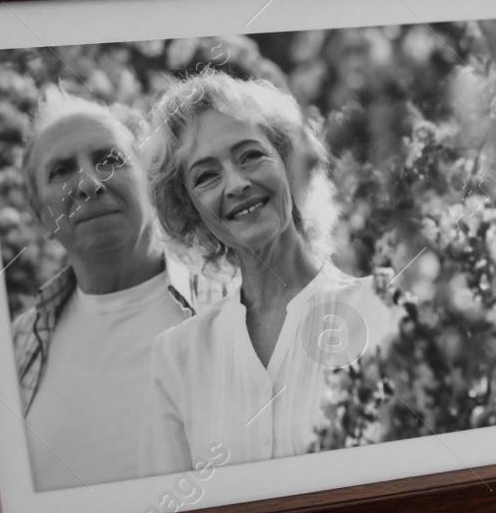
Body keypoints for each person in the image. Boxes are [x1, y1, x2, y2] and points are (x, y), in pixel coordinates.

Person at [139, 72, 394, 475]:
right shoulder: (178, 357)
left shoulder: (383, 310)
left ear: (291, 166)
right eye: (206, 176)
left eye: (250, 155)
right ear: (190, 212)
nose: (237, 183)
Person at [10, 88, 213, 491]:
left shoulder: (232, 303)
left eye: (109, 160)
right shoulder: (17, 347)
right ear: (40, 215)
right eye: (61, 171)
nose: (88, 183)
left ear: (150, 180)